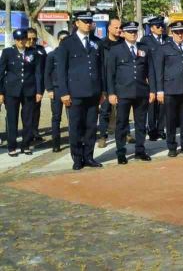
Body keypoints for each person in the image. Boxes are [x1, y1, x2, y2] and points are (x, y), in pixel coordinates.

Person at [55, 11, 106, 170]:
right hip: (75, 93)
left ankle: (89, 156)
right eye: (84, 21)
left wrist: (103, 91)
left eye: (90, 21)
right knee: (76, 127)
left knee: (91, 126)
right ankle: (77, 158)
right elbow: (61, 71)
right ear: (77, 23)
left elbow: (101, 68)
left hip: (93, 92)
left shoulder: (97, 42)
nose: (88, 24)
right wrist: (63, 92)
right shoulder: (67, 43)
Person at [106, 21, 157, 164]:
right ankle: (121, 152)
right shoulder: (116, 50)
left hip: (141, 92)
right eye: (130, 32)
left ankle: (140, 150)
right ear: (123, 33)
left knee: (141, 123)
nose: (133, 34)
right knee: (121, 124)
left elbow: (150, 71)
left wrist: (152, 90)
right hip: (123, 92)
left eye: (135, 31)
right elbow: (110, 74)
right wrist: (111, 93)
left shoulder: (144, 48)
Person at [154, 21, 183, 158]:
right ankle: (172, 146)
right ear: (171, 33)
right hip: (170, 90)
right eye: (177, 32)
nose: (180, 35)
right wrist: (160, 91)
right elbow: (159, 71)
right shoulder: (164, 48)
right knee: (171, 120)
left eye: (182, 32)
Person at [0, 28, 44, 156]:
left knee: (28, 119)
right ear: (15, 40)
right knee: (12, 119)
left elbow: (38, 73)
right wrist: (1, 92)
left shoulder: (33, 52)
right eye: (19, 39)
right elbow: (1, 73)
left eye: (23, 39)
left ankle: (26, 145)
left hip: (29, 90)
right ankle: (12, 146)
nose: (21, 41)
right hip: (12, 91)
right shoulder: (8, 52)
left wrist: (39, 91)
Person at [140, 16, 166, 141]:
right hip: (152, 76)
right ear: (151, 28)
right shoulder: (145, 40)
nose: (161, 28)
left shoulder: (167, 39)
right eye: (158, 26)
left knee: (163, 105)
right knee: (152, 104)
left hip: (166, 77)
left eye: (162, 26)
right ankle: (152, 129)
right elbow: (143, 60)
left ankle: (161, 129)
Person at [97, 18, 122, 148]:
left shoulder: (123, 43)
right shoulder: (102, 44)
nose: (119, 30)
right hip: (106, 82)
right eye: (116, 27)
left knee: (122, 110)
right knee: (105, 110)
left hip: (122, 82)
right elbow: (100, 65)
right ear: (109, 28)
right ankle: (102, 136)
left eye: (120, 27)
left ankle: (125, 133)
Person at [45, 30, 69, 152]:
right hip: (56, 89)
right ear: (58, 40)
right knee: (56, 118)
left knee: (73, 117)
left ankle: (75, 141)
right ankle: (56, 143)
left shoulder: (71, 54)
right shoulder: (52, 55)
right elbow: (47, 74)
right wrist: (49, 89)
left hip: (70, 90)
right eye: (62, 39)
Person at [25, 28, 47, 142]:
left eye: (34, 38)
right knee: (26, 109)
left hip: (39, 84)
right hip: (26, 85)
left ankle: (35, 130)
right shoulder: (23, 51)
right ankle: (26, 132)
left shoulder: (41, 50)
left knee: (36, 108)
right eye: (29, 38)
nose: (32, 41)